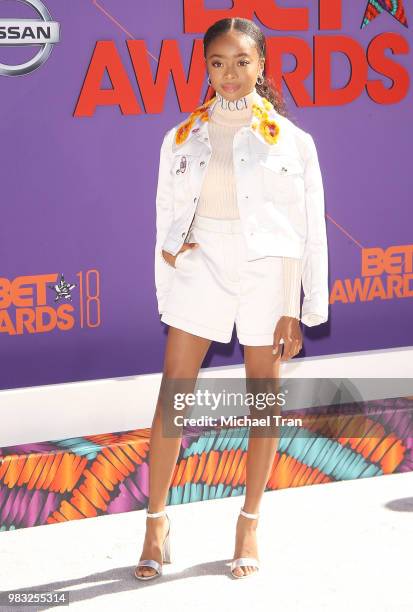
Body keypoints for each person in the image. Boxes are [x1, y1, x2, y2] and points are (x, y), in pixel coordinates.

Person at [135, 17, 329, 581]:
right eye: (218, 62)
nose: (230, 74)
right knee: (173, 396)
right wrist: (174, 265)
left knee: (263, 401)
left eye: (242, 61)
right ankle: (155, 523)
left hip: (269, 271)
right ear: (205, 68)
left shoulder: (294, 142)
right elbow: (165, 220)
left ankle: (248, 522)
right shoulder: (180, 137)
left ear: (262, 64)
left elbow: (305, 227)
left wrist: (299, 303)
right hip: (203, 265)